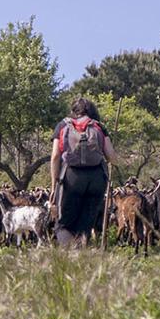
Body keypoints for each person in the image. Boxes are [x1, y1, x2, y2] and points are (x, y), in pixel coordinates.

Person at [48, 98, 114, 247]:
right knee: (85, 223)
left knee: (63, 224)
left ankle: (72, 255)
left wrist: (54, 186)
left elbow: (55, 157)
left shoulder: (63, 125)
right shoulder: (98, 126)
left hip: (72, 178)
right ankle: (82, 258)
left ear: (73, 110)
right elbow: (112, 157)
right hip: (97, 179)